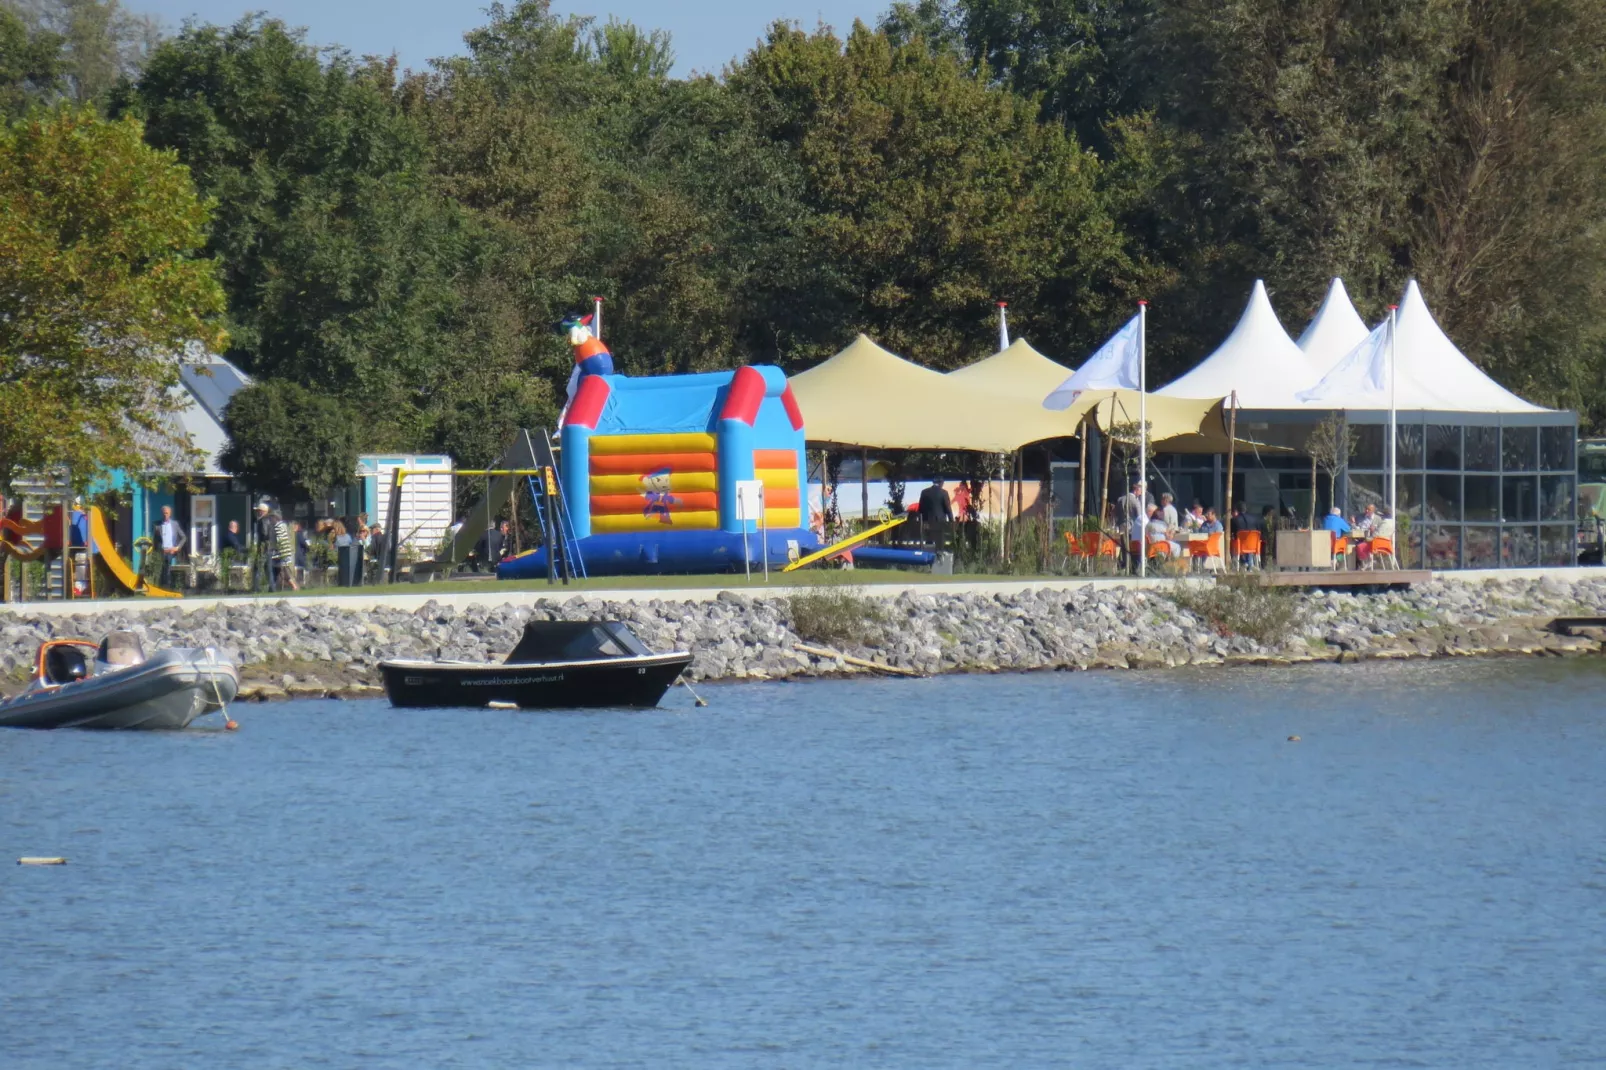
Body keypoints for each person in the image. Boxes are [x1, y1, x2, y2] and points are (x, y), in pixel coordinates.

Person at [917, 479, 953, 553]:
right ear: (941, 483)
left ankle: (928, 557)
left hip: (927, 523)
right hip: (939, 523)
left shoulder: (924, 492)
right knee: (939, 544)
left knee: (928, 542)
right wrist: (951, 521)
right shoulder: (944, 493)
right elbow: (948, 509)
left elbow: (920, 509)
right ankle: (939, 557)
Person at [154, 505, 185, 589]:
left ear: (170, 514)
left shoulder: (175, 524)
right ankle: (161, 585)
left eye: (167, 513)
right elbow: (155, 540)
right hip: (162, 551)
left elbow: (184, 537)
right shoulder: (158, 526)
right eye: (164, 513)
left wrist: (177, 547)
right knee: (162, 567)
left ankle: (167, 585)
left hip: (172, 551)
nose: (165, 515)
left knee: (167, 564)